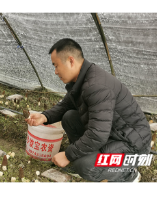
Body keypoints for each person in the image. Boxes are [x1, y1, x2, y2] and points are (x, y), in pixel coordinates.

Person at [25, 38, 151, 183]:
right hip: (113, 133)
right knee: (69, 117)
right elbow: (66, 105)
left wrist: (67, 155)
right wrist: (44, 116)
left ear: (71, 61)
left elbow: (98, 134)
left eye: (57, 66)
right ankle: (86, 157)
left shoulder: (96, 86)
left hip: (133, 144)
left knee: (86, 166)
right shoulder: (83, 79)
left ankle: (128, 175)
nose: (55, 72)